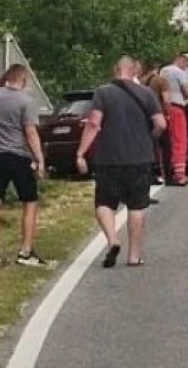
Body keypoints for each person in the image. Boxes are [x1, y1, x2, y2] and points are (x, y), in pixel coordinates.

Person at [75, 56, 166, 268]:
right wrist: (149, 137)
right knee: (137, 205)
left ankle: (113, 239)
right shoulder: (147, 93)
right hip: (139, 158)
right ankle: (134, 256)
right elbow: (161, 124)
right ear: (135, 70)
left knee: (104, 203)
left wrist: (81, 152)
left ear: (115, 69)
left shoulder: (103, 93)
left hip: (109, 158)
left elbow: (94, 123)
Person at [0, 63, 46, 267]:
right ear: (25, 80)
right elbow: (30, 132)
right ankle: (25, 252)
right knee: (29, 201)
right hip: (18, 156)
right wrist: (39, 159)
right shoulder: (26, 101)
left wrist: (5, 79)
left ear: (7, 78)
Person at [159, 51, 188, 186]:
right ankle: (180, 175)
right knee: (180, 141)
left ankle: (166, 174)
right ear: (180, 59)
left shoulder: (164, 71)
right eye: (187, 61)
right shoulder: (180, 73)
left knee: (166, 143)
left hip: (163, 108)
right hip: (177, 107)